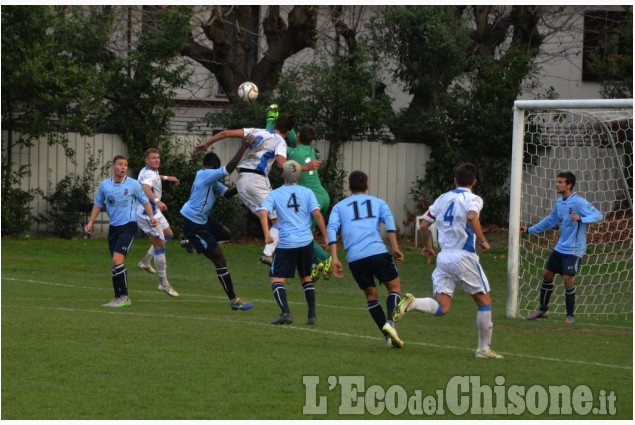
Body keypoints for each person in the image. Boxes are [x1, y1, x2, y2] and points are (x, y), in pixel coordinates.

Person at [392, 163, 503, 359]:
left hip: (443, 257)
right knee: (484, 301)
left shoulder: (443, 198)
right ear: (474, 181)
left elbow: (424, 224)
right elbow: (471, 216)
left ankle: (413, 303)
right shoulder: (473, 198)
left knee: (443, 307)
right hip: (463, 256)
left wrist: (427, 247)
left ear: (454, 180)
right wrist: (484, 240)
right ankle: (484, 350)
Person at [193, 113, 319, 265]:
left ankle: (277, 253)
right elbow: (282, 165)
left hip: (241, 182)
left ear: (275, 125)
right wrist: (306, 167)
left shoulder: (256, 131)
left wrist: (207, 143)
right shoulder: (280, 141)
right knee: (281, 219)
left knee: (269, 218)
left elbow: (226, 133)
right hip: (257, 180)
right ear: (287, 132)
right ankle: (269, 253)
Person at [327, 170, 405, 349]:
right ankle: (390, 325)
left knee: (371, 296)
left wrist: (335, 258)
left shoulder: (339, 207)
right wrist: (395, 248)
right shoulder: (379, 203)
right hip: (377, 251)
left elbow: (332, 229)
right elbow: (390, 224)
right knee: (394, 288)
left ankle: (387, 337)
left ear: (349, 187)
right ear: (367, 186)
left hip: (355, 258)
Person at [181, 135, 257, 311]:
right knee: (220, 260)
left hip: (203, 220)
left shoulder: (211, 181)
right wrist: (244, 147)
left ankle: (191, 243)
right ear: (212, 167)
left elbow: (228, 194)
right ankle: (234, 300)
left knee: (226, 234)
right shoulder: (204, 174)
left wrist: (245, 182)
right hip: (195, 224)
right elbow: (228, 169)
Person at [521, 171, 603, 324]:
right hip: (561, 247)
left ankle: (570, 315)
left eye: (560, 182)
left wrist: (582, 218)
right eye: (557, 181)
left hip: (574, 248)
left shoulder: (579, 202)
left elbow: (599, 216)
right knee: (547, 274)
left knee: (567, 278)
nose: (556, 184)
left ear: (569, 185)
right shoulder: (559, 202)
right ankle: (543, 309)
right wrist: (530, 230)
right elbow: (551, 220)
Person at [258, 160, 328, 325]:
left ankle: (286, 313)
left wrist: (267, 234)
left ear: (283, 175)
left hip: (287, 243)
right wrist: (325, 236)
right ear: (299, 176)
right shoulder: (307, 192)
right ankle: (311, 316)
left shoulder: (275, 194)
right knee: (306, 278)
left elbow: (263, 212)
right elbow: (317, 214)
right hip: (306, 242)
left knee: (276, 279)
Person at [85, 155, 157, 307]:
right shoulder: (105, 186)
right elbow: (98, 204)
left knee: (117, 260)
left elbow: (145, 201)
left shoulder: (133, 184)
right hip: (114, 228)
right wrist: (91, 222)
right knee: (115, 263)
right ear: (113, 167)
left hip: (128, 226)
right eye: (120, 164)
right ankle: (117, 297)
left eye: (125, 165)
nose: (123, 167)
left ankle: (124, 298)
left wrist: (151, 216)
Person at [281, 122, 332, 282]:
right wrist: (281, 120)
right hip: (323, 196)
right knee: (305, 234)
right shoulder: (309, 149)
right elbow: (291, 134)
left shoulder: (292, 153)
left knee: (301, 234)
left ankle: (324, 258)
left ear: (298, 137)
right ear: (311, 141)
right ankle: (315, 264)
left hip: (312, 198)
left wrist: (271, 120)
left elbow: (278, 144)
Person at [135, 148, 180, 297]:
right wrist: (157, 200)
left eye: (158, 158)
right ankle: (164, 284)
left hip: (155, 211)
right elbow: (145, 187)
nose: (157, 160)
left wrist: (168, 178)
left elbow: (155, 177)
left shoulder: (149, 170)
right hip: (147, 214)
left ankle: (145, 262)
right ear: (146, 160)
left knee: (168, 235)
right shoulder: (148, 173)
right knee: (160, 245)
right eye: (153, 158)